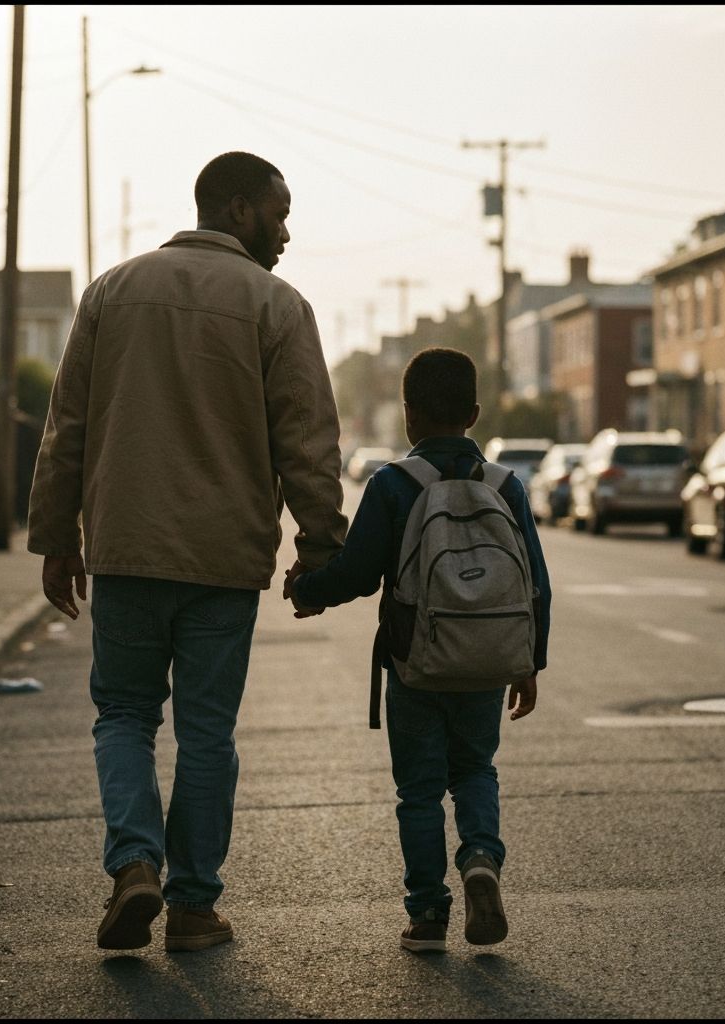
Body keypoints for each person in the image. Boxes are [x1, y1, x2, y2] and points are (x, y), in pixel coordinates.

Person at [27, 151, 347, 953]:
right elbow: (308, 442)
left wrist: (56, 535)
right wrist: (321, 548)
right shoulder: (278, 305)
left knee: (125, 716)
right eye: (278, 213)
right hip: (222, 560)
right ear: (237, 210)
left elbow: (67, 424)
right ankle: (195, 909)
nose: (286, 232)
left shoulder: (112, 292)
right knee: (207, 734)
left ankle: (136, 862)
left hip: (127, 549)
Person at [287, 347, 550, 953]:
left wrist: (307, 589)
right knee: (476, 769)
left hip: (416, 662)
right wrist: (529, 661)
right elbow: (535, 578)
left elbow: (357, 572)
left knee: (420, 791)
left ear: (408, 417)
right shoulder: (505, 485)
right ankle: (481, 857)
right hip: (486, 659)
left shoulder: (394, 484)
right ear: (476, 413)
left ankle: (428, 914)